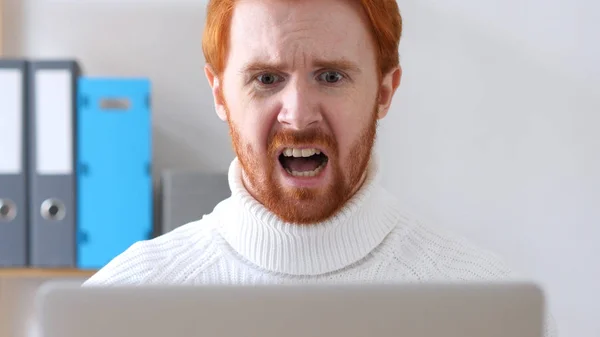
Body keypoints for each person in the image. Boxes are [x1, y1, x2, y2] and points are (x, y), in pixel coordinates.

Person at [83, 0, 555, 335]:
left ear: (384, 92)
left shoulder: (489, 308)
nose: (299, 113)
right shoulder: (116, 308)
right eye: (266, 79)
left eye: (331, 76)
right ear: (219, 94)